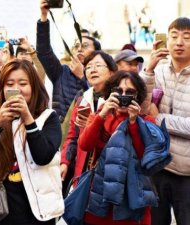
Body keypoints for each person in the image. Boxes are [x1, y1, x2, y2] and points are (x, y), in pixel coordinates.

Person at [0, 60, 64, 225]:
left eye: (23, 83)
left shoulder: (48, 117)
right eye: (10, 83)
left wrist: (28, 119)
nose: (16, 89)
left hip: (38, 211)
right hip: (0, 209)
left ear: (34, 87)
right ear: (1, 89)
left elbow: (43, 156)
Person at [78, 71, 165, 225]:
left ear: (137, 96)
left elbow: (146, 158)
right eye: (118, 91)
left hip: (132, 195)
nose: (123, 95)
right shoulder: (100, 115)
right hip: (101, 192)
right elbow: (85, 145)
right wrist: (101, 115)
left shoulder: (146, 122)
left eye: (129, 92)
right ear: (110, 93)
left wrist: (133, 123)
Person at [140, 17, 190, 225]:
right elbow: (142, 112)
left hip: (187, 173)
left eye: (187, 37)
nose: (179, 42)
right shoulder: (157, 72)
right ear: (166, 41)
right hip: (157, 167)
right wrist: (148, 71)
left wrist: (158, 117)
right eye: (174, 36)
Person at [60, 51, 117, 193]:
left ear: (111, 72)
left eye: (98, 65)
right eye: (89, 66)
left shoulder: (117, 100)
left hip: (109, 169)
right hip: (83, 169)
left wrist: (92, 124)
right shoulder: (82, 100)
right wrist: (65, 162)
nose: (93, 69)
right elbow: (72, 136)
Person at [37, 0, 101, 122]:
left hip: (88, 131)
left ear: (97, 53)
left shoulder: (103, 74)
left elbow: (99, 103)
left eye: (85, 45)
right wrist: (44, 16)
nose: (79, 49)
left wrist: (82, 77)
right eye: (76, 46)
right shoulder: (62, 71)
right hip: (62, 132)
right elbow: (44, 52)